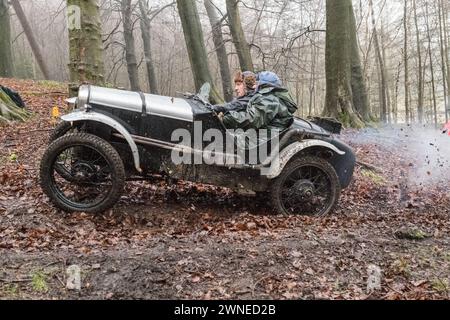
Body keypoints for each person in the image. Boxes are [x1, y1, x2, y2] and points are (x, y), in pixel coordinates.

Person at [221, 71, 298, 131]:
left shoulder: (269, 99)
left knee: (225, 140)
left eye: (257, 82)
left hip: (262, 140)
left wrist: (227, 117)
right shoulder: (268, 97)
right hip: (263, 136)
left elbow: (252, 120)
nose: (254, 85)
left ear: (263, 85)